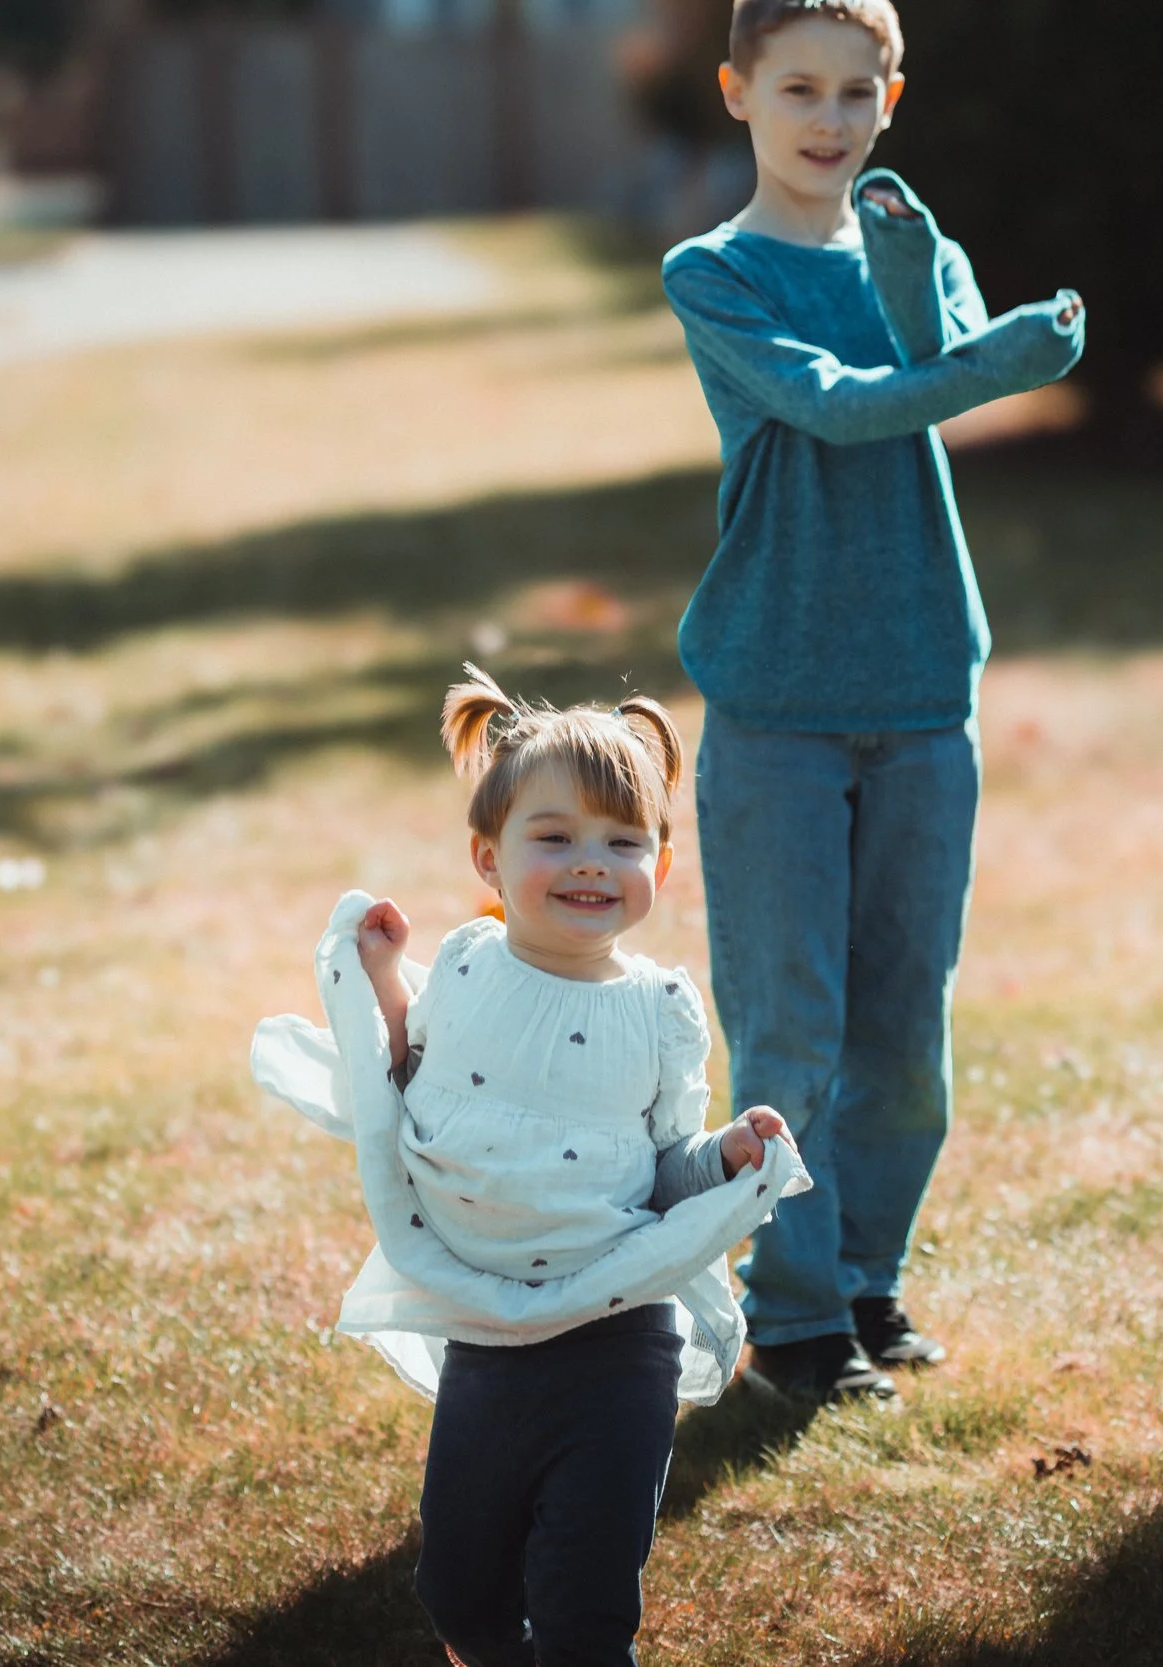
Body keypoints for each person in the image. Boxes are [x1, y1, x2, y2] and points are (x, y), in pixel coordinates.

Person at [660, 0, 1086, 1403]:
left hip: (919, 692)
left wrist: (938, 304)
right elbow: (845, 403)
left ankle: (864, 1279)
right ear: (737, 94)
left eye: (856, 92)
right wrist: (1005, 357)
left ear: (892, 99)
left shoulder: (921, 244)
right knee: (791, 1027)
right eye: (797, 90)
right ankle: (790, 1320)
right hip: (777, 695)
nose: (827, 122)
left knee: (905, 1031)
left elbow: (924, 364)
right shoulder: (714, 272)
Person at [248, 665, 810, 1667]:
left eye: (622, 840)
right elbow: (410, 1080)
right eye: (554, 837)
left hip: (614, 1329)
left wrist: (723, 1154)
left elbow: (658, 1171)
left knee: (583, 1600)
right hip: (484, 1324)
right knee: (459, 1588)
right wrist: (381, 978)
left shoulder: (659, 1010)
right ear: (488, 856)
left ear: (662, 865)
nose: (591, 862)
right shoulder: (468, 963)